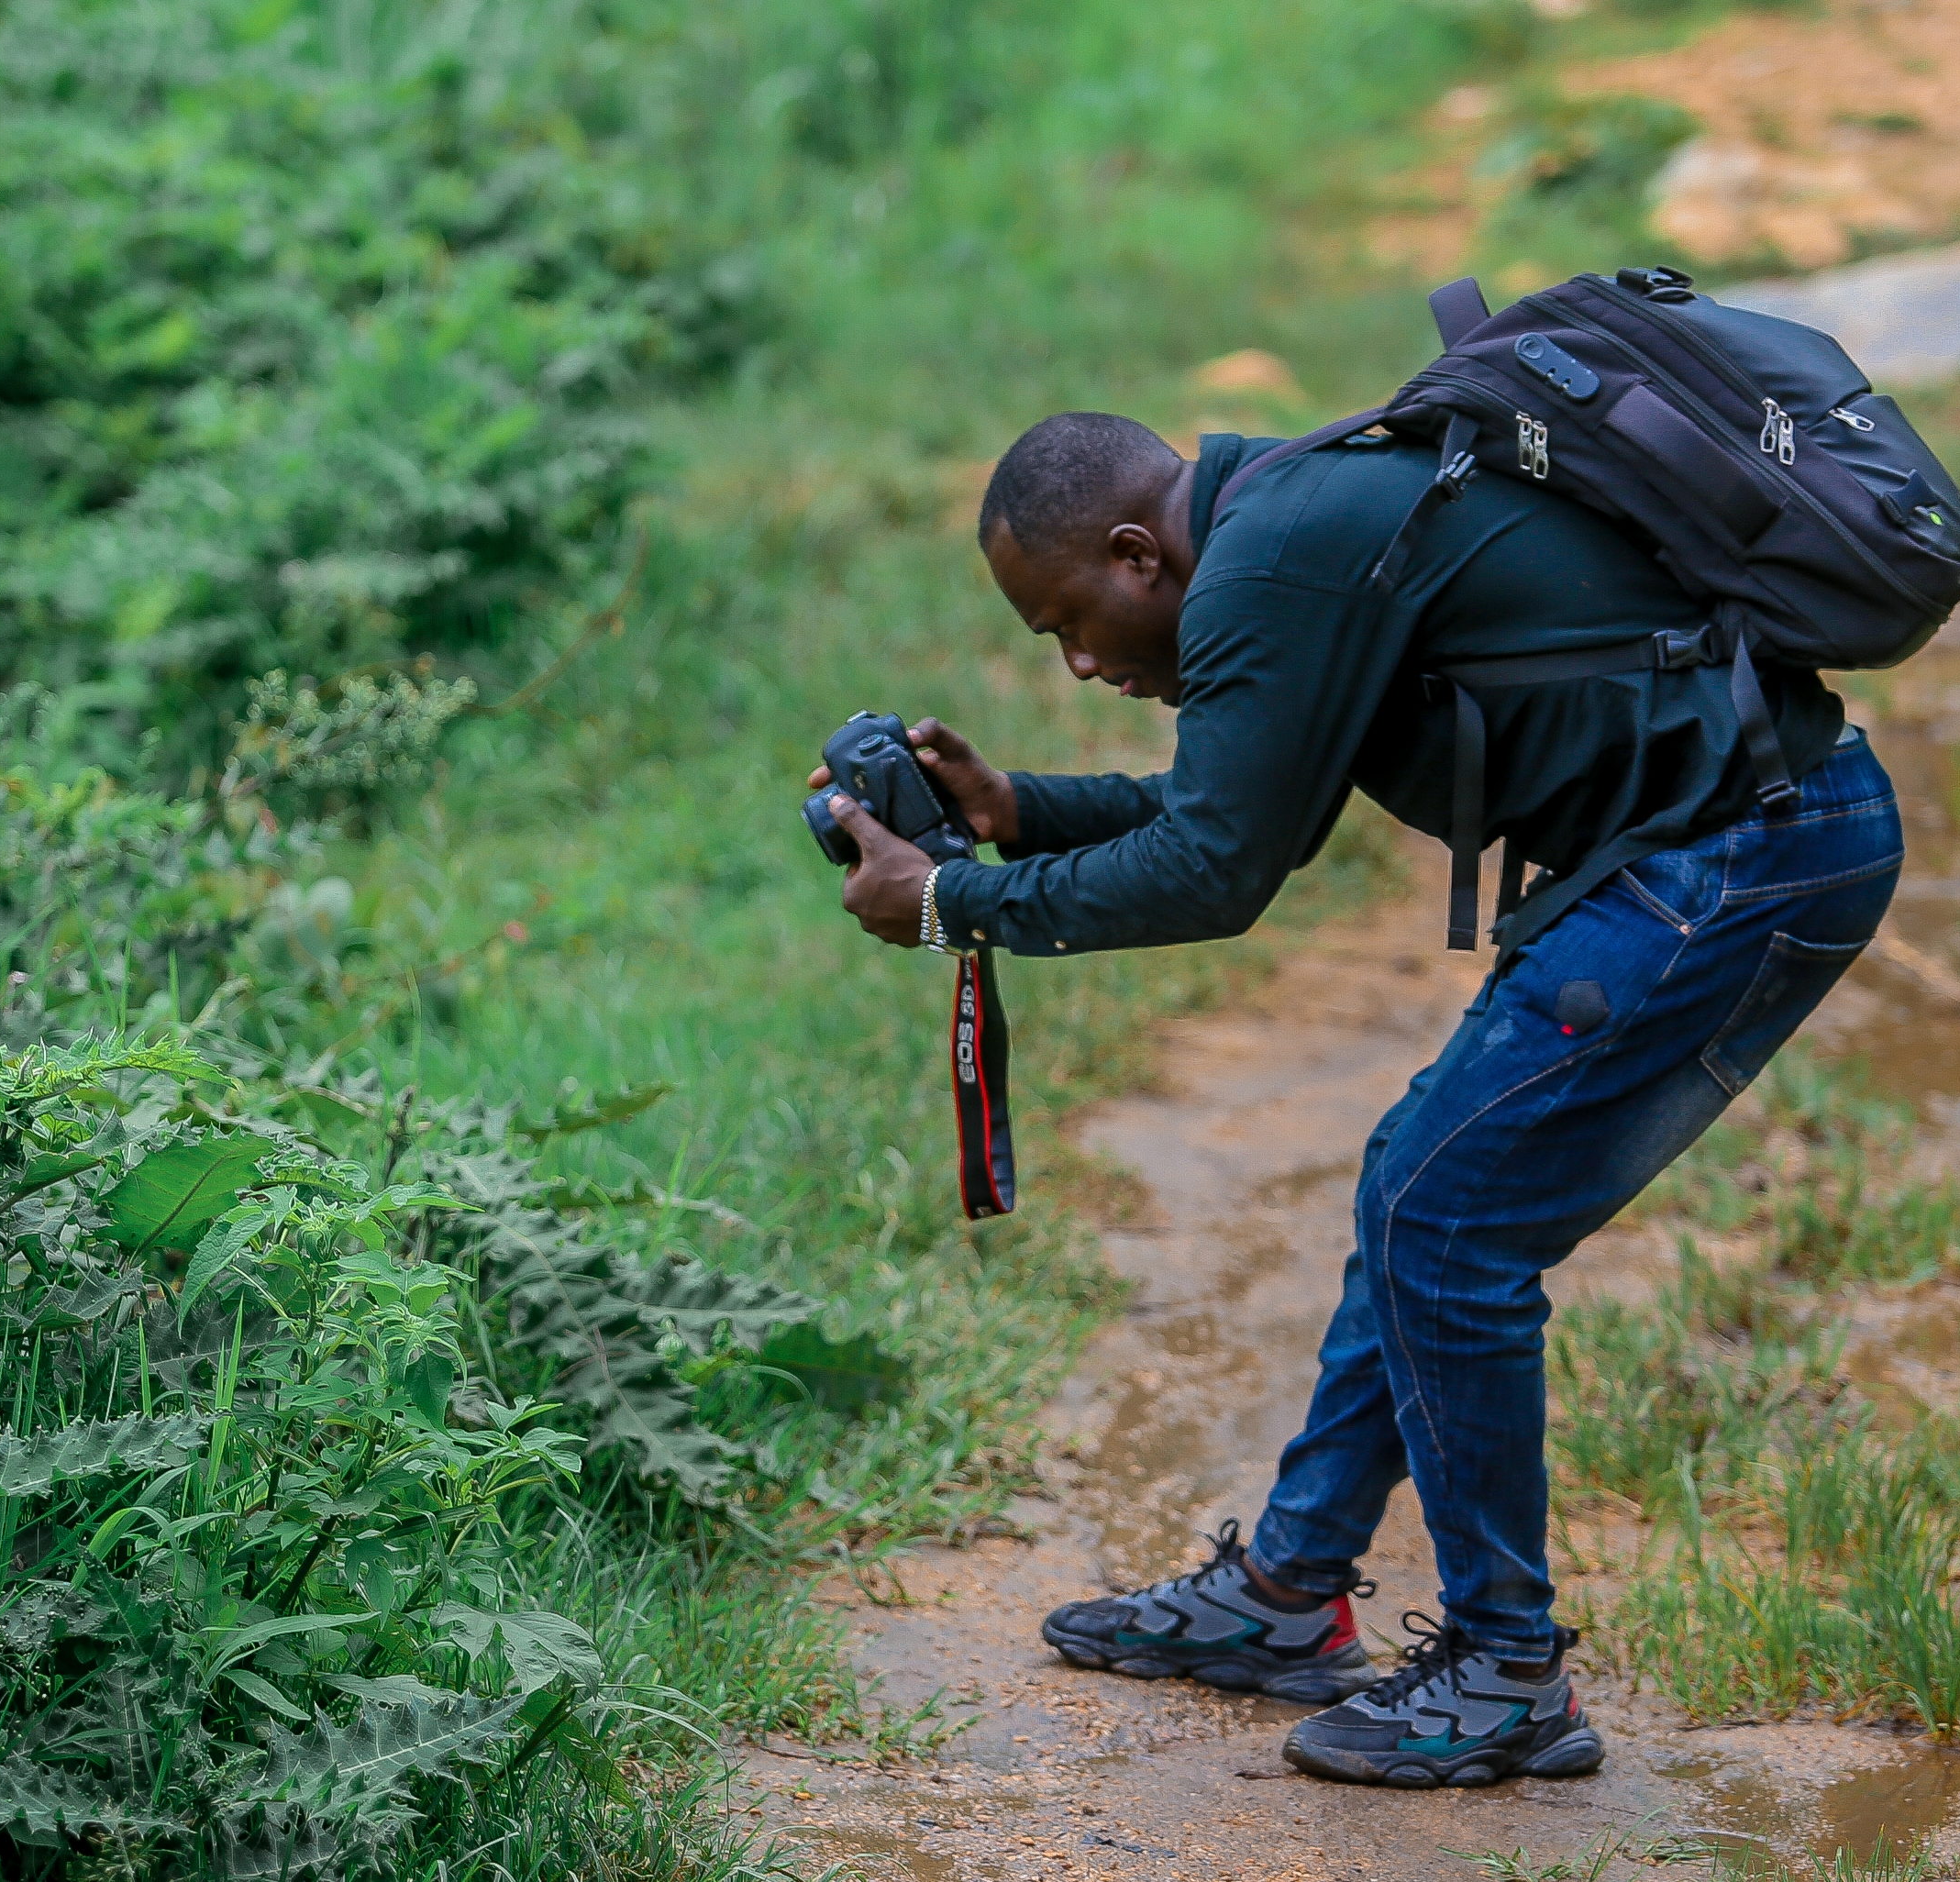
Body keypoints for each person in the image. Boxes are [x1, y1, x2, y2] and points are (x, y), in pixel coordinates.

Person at [806, 410, 1901, 1789]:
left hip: (1743, 852)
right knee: (1426, 1190)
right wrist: (1020, 808)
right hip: (1717, 844)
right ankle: (1286, 1592)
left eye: (1068, 624)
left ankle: (1509, 1673)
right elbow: (1251, 807)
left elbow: (1219, 872)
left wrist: (950, 901)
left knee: (1447, 1216)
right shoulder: (1288, 513)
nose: (1081, 664)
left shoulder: (1275, 557)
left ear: (1138, 552)